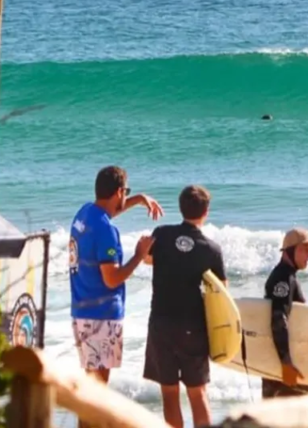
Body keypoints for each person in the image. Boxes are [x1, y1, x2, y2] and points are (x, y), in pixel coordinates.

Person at [69, 165, 163, 392]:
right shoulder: (106, 231)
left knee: (91, 388)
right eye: (126, 192)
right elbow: (112, 279)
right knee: (98, 392)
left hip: (82, 310)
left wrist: (137, 199)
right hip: (101, 316)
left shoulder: (85, 213)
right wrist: (139, 255)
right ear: (119, 192)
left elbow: (107, 213)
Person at [142, 185, 226, 428]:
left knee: (169, 394)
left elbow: (148, 259)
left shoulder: (161, 234)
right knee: (197, 393)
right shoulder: (211, 249)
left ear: (180, 208)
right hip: (193, 328)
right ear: (206, 211)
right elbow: (222, 294)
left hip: (161, 324)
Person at [262, 227, 308, 399]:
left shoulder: (286, 276)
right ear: (290, 250)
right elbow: (278, 319)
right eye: (305, 249)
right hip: (281, 362)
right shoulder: (283, 279)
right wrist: (286, 362)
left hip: (276, 360)